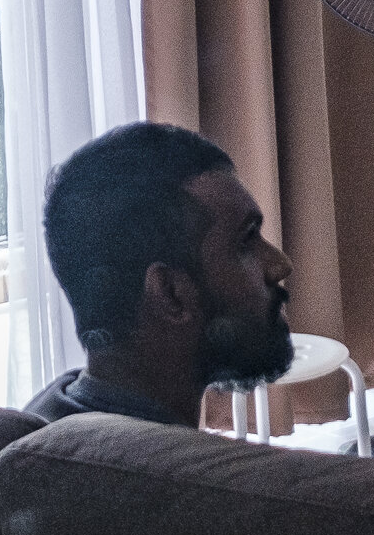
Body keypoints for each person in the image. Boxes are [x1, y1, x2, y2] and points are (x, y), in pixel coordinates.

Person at [22, 121, 296, 427]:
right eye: (246, 240)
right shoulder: (184, 475)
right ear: (170, 293)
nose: (280, 264)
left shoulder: (44, 420)